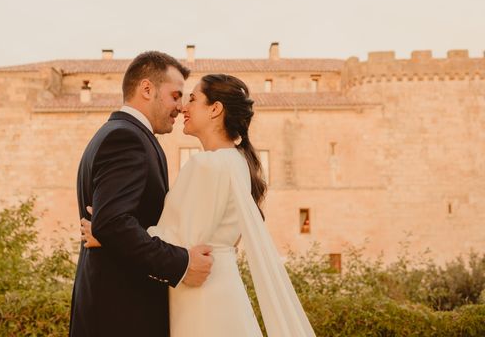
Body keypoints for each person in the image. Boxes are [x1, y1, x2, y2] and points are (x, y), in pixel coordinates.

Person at [82, 74, 316, 336]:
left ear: (215, 109)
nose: (184, 107)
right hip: (226, 290)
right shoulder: (238, 162)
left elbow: (179, 239)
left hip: (201, 297)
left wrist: (108, 235)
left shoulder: (205, 165)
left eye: (192, 99)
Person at [69, 51, 215, 337]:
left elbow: (112, 225)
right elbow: (112, 224)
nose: (180, 107)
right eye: (175, 96)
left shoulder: (122, 134)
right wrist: (182, 262)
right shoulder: (126, 138)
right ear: (147, 89)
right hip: (121, 316)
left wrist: (112, 235)